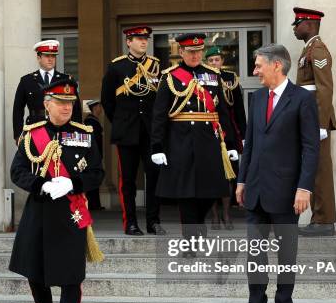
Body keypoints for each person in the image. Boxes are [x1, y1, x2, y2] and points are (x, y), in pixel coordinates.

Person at [9, 80, 104, 303]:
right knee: (34, 270)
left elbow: (98, 173)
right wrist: (41, 185)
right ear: (46, 105)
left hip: (71, 212)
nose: (65, 108)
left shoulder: (85, 135)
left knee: (71, 279)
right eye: (60, 103)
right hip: (39, 211)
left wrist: (73, 183)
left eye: (70, 103)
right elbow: (17, 171)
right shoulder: (32, 134)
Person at [234, 44, 319, 303]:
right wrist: (242, 180)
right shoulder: (256, 98)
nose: (254, 71)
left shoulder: (302, 99)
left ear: (277, 66)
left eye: (258, 65)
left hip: (286, 194)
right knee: (255, 256)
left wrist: (304, 188)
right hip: (256, 190)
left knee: (286, 257)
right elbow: (251, 144)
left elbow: (310, 148)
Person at [150, 33, 238, 246]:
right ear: (181, 52)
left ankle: (198, 223)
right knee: (186, 194)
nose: (196, 55)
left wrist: (232, 144)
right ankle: (190, 240)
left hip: (208, 140)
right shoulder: (170, 76)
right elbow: (159, 114)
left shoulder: (213, 75)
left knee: (211, 190)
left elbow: (223, 112)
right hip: (180, 141)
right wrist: (157, 146)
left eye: (199, 51)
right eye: (191, 52)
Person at [101, 25, 165, 236]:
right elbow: (107, 101)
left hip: (150, 132)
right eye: (138, 38)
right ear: (129, 42)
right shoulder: (116, 67)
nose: (143, 42)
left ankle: (153, 221)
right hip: (127, 132)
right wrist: (121, 122)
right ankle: (130, 223)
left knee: (154, 176)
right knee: (127, 179)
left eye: (145, 38)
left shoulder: (156, 65)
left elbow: (161, 100)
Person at [292, 7, 336, 237]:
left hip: (315, 120)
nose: (294, 27)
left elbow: (324, 88)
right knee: (314, 168)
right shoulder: (308, 49)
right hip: (309, 117)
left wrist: (320, 124)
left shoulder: (317, 49)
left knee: (320, 169)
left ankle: (324, 220)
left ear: (309, 24)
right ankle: (319, 218)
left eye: (297, 23)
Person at [205, 45, 247, 230]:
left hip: (228, 131)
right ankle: (214, 215)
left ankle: (227, 214)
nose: (215, 63)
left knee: (229, 175)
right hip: (209, 130)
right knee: (212, 175)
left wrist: (244, 135)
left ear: (222, 61)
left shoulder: (231, 78)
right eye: (211, 60)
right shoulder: (203, 77)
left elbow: (238, 109)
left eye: (217, 59)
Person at [12, 40, 82, 142]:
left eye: (53, 56)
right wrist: (18, 135)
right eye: (46, 56)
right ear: (38, 57)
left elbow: (76, 108)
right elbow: (17, 109)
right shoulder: (27, 80)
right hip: (36, 128)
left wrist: (77, 131)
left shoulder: (66, 80)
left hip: (62, 129)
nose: (50, 59)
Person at [84, 99, 105, 210]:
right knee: (93, 177)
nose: (101, 109)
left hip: (94, 154)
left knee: (95, 177)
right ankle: (93, 203)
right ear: (95, 108)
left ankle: (95, 203)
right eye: (99, 107)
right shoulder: (91, 122)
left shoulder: (93, 121)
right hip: (92, 155)